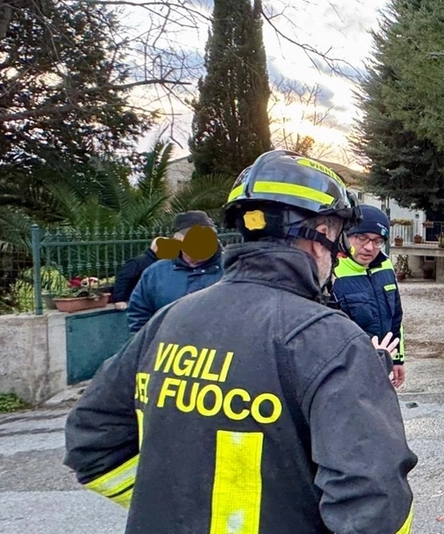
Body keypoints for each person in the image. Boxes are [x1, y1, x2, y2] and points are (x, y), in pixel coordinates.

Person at [63, 150, 417, 533]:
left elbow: (92, 442)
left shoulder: (170, 320)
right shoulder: (331, 340)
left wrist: (183, 503)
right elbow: (377, 512)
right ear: (322, 237)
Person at [333, 204, 406, 388]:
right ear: (346, 236)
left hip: (383, 364)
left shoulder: (386, 266)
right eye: (361, 238)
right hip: (347, 371)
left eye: (377, 241)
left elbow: (395, 317)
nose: (369, 247)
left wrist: (397, 359)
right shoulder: (331, 271)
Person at [126, 211, 224, 333]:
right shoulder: (156, 273)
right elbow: (139, 314)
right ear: (177, 239)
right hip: (166, 348)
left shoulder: (233, 269)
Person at [110, 238, 160, 310]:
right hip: (137, 302)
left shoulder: (162, 262)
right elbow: (123, 278)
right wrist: (119, 299)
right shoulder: (138, 262)